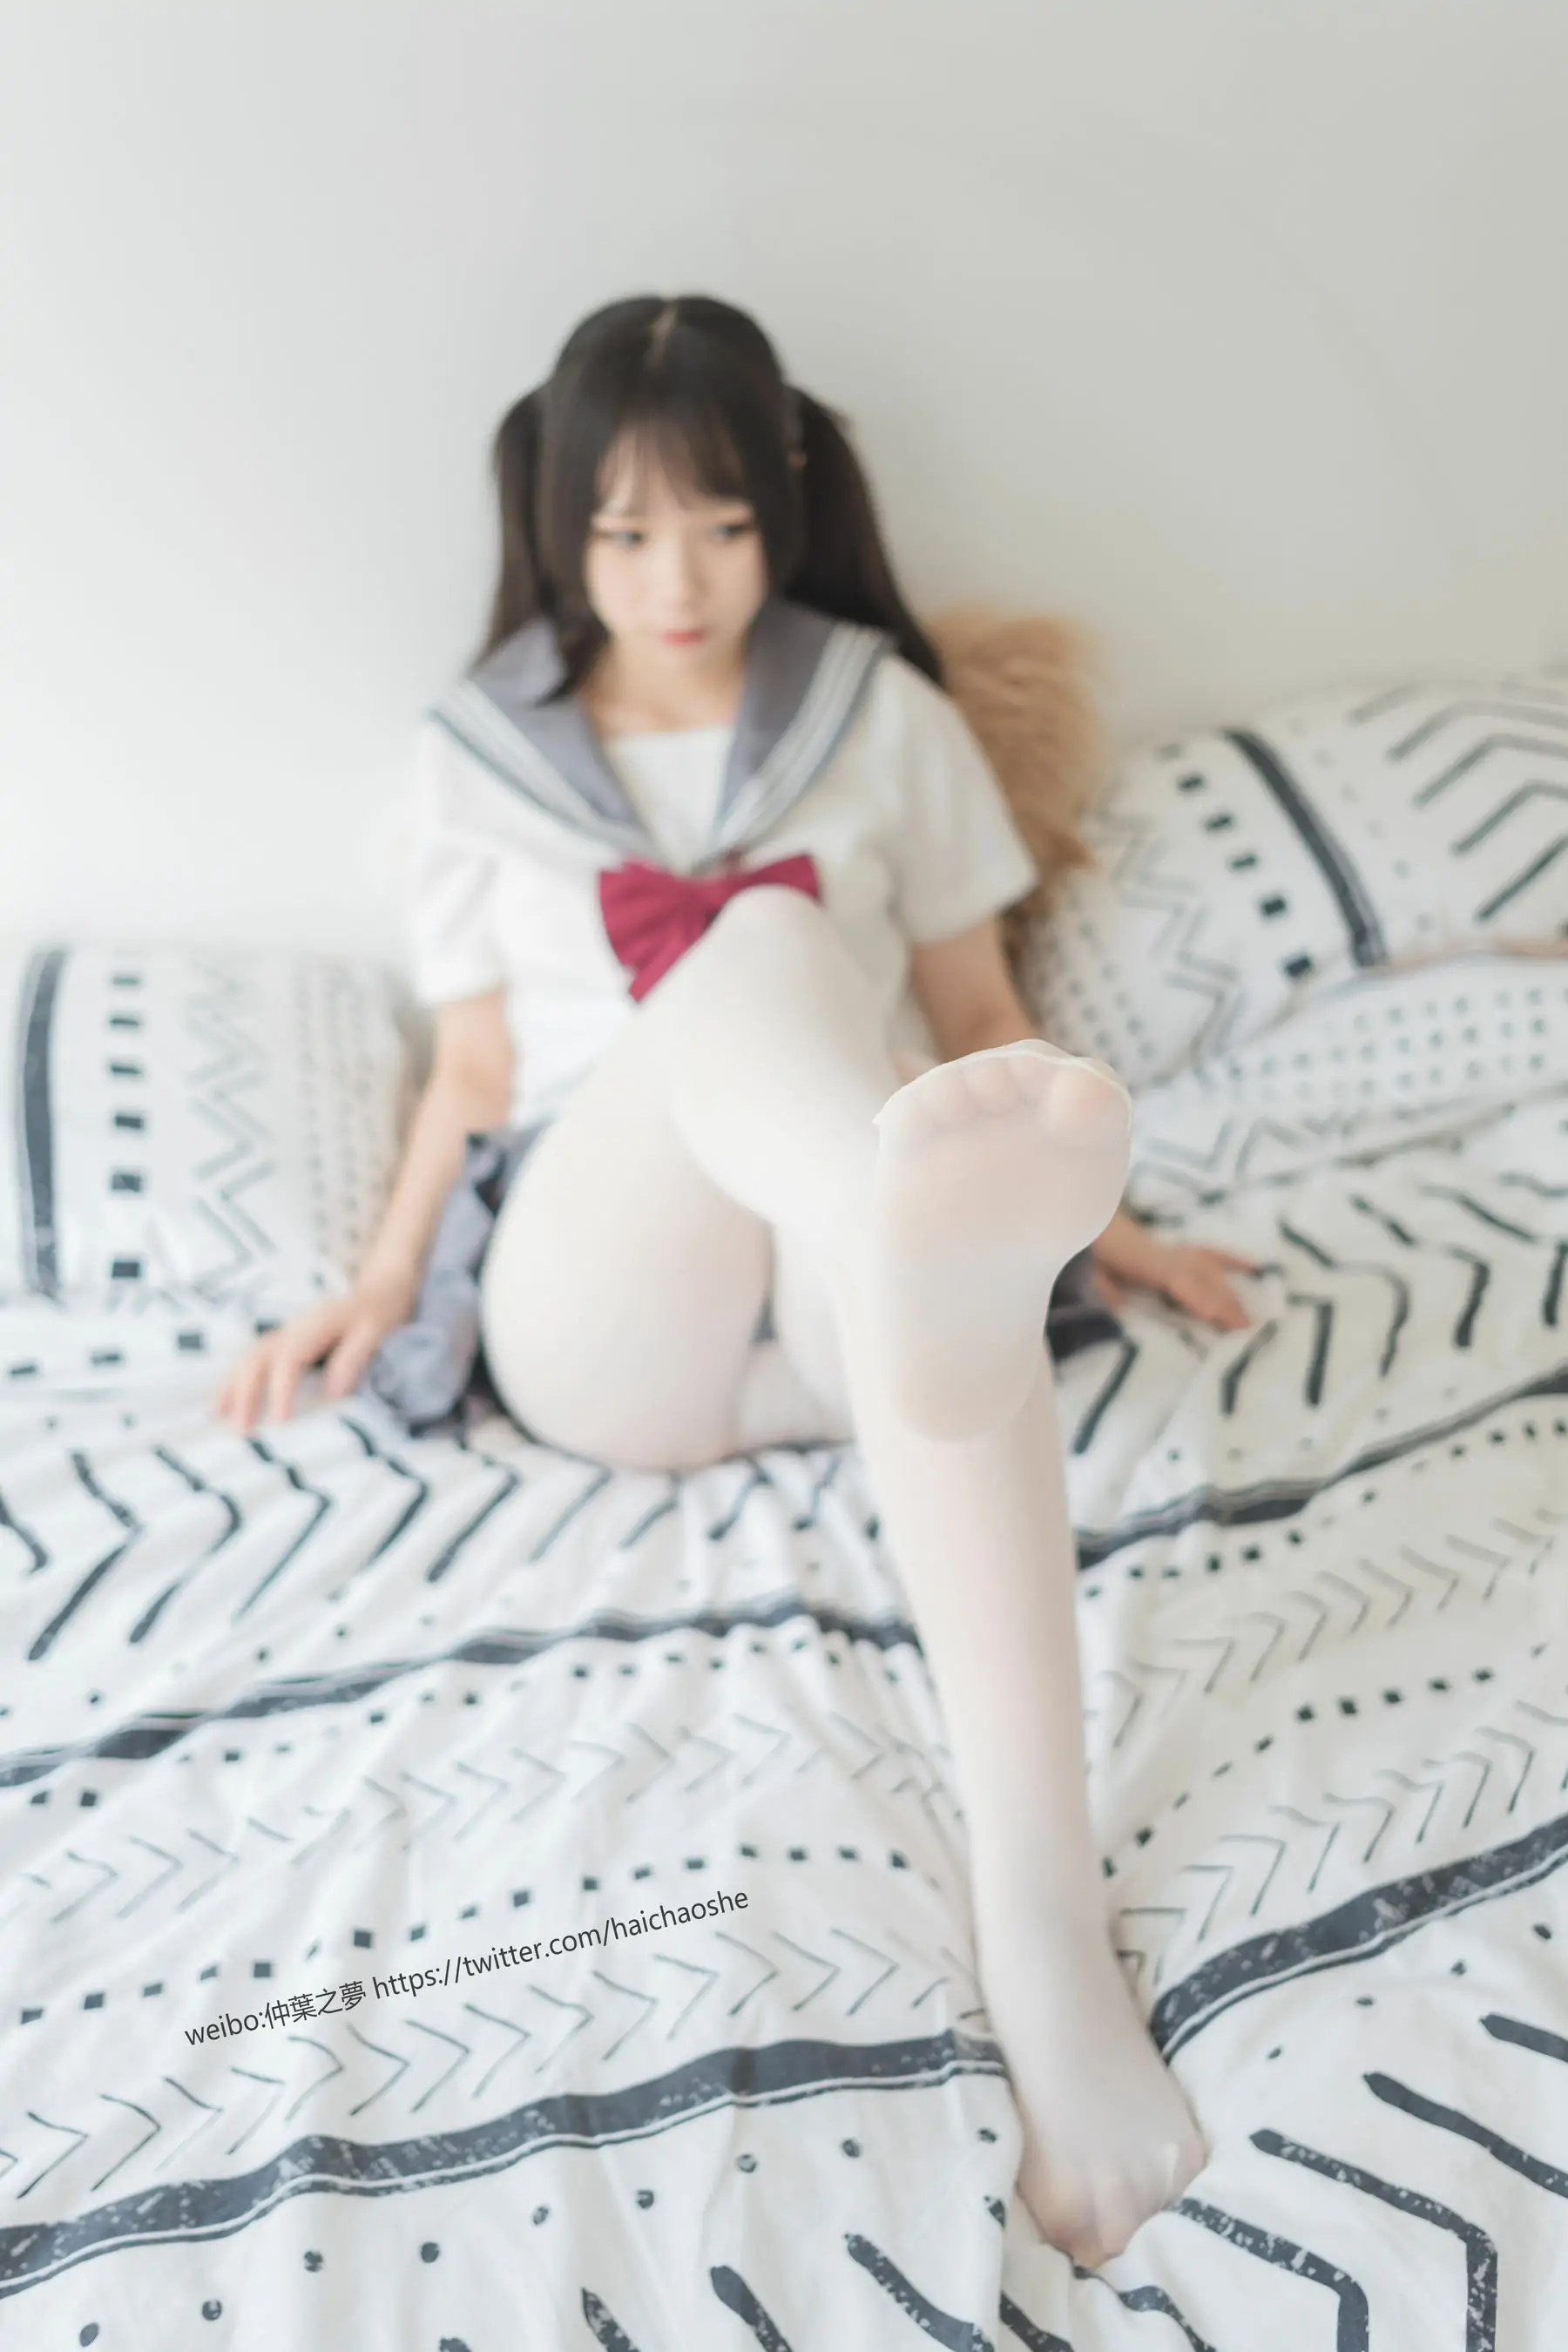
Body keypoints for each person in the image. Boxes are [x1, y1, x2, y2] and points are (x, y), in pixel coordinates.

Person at [215, 294, 1258, 2265]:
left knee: (890, 1193)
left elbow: (978, 1012)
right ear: (556, 529)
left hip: (827, 1316)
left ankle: (1044, 1925)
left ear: (786, 503)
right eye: (622, 534)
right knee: (761, 966)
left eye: (715, 524)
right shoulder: (472, 762)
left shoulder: (881, 715)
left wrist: (1111, 1228)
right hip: (605, 1318)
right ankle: (917, 1260)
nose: (674, 581)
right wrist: (377, 1280)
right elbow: (474, 1076)